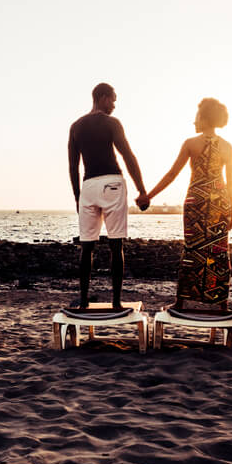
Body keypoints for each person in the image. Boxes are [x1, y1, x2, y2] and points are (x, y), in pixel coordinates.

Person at [141, 98, 232, 310]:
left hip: (196, 202)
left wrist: (149, 196)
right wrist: (231, 213)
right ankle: (221, 304)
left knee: (192, 251)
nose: (193, 122)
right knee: (219, 252)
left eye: (196, 117)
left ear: (203, 118)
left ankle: (181, 302)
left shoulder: (191, 143)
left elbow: (172, 174)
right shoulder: (228, 147)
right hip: (220, 203)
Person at [68, 82, 148, 310]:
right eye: (113, 99)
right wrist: (141, 190)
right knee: (116, 245)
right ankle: (115, 302)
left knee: (87, 246)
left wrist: (77, 196)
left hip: (88, 186)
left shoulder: (76, 126)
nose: (114, 104)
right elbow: (128, 156)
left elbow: (73, 166)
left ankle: (83, 301)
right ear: (102, 97)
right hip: (112, 181)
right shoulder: (112, 123)